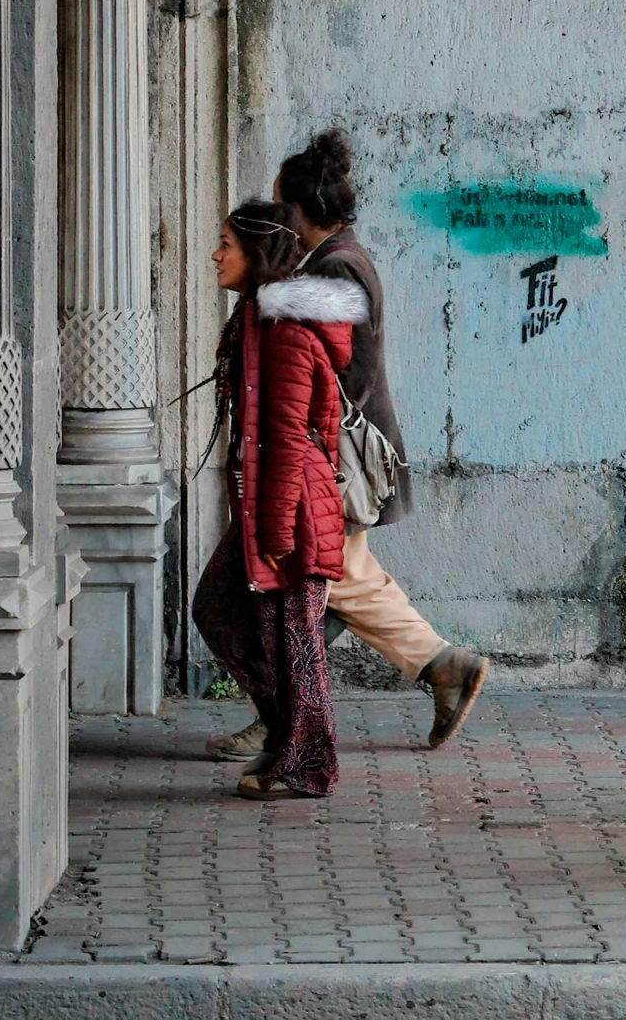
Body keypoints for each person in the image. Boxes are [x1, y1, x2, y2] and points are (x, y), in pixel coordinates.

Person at [205, 130, 488, 764]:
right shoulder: (338, 258)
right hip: (329, 457)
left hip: (331, 461)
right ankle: (436, 671)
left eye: (280, 207)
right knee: (340, 586)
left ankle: (288, 722)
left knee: (317, 585)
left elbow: (335, 375)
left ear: (298, 210)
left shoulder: (332, 269)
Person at [191, 198, 368, 801]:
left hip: (289, 506)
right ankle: (286, 733)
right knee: (219, 610)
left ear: (258, 253)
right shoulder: (255, 317)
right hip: (269, 503)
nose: (215, 255)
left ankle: (307, 762)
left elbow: (293, 436)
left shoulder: (286, 330)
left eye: (226, 244)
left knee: (295, 641)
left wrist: (276, 533)